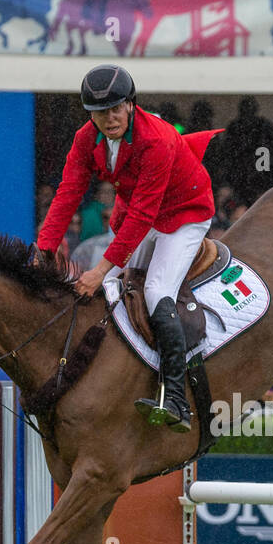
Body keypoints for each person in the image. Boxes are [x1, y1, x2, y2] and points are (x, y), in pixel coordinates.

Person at [35, 64, 218, 433]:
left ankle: (176, 399)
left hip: (183, 214)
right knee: (110, 292)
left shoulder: (157, 139)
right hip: (139, 212)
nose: (110, 118)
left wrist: (100, 269)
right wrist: (43, 249)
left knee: (154, 291)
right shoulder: (86, 138)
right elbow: (68, 192)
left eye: (116, 109)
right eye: (101, 113)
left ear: (131, 105)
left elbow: (141, 217)